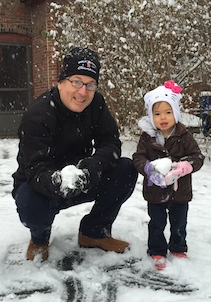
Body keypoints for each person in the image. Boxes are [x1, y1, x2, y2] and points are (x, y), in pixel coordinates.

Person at [12, 47, 138, 261]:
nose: (83, 92)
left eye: (90, 85)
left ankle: (94, 231)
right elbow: (34, 169)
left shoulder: (96, 105)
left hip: (84, 177)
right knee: (29, 203)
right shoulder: (38, 114)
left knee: (126, 169)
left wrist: (91, 167)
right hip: (43, 185)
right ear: (61, 81)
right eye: (76, 81)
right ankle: (40, 237)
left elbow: (111, 143)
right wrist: (57, 182)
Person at [132, 80, 204, 270]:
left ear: (175, 114)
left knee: (179, 222)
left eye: (167, 112)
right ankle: (157, 249)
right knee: (156, 222)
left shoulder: (184, 136)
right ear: (151, 116)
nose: (163, 117)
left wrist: (186, 166)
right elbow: (138, 157)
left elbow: (197, 156)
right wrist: (148, 169)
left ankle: (178, 247)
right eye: (157, 114)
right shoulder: (147, 138)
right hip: (155, 191)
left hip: (180, 191)